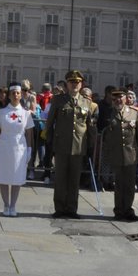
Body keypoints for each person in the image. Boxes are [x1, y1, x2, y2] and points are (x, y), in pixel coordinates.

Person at [47, 70, 96, 219]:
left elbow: (90, 127)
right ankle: (60, 208)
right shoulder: (58, 100)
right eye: (71, 82)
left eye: (77, 82)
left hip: (79, 146)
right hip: (61, 146)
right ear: (67, 84)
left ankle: (72, 208)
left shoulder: (87, 102)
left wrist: (90, 146)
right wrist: (49, 143)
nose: (74, 84)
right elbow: (50, 123)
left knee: (75, 180)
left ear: (81, 84)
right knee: (61, 178)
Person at [0, 83, 34, 217]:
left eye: (18, 93)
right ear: (9, 95)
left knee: (17, 177)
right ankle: (5, 204)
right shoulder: (2, 112)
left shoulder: (26, 113)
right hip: (4, 146)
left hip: (19, 148)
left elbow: (29, 133)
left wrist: (29, 149)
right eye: (13, 93)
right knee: (4, 177)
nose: (15, 95)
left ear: (21, 95)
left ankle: (13, 205)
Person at [101, 88, 138, 221]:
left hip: (131, 154)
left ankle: (128, 210)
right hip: (116, 154)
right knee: (118, 184)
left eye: (121, 98)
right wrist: (106, 155)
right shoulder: (108, 114)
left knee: (130, 185)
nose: (118, 100)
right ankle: (119, 210)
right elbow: (105, 137)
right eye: (115, 98)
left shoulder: (134, 113)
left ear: (125, 98)